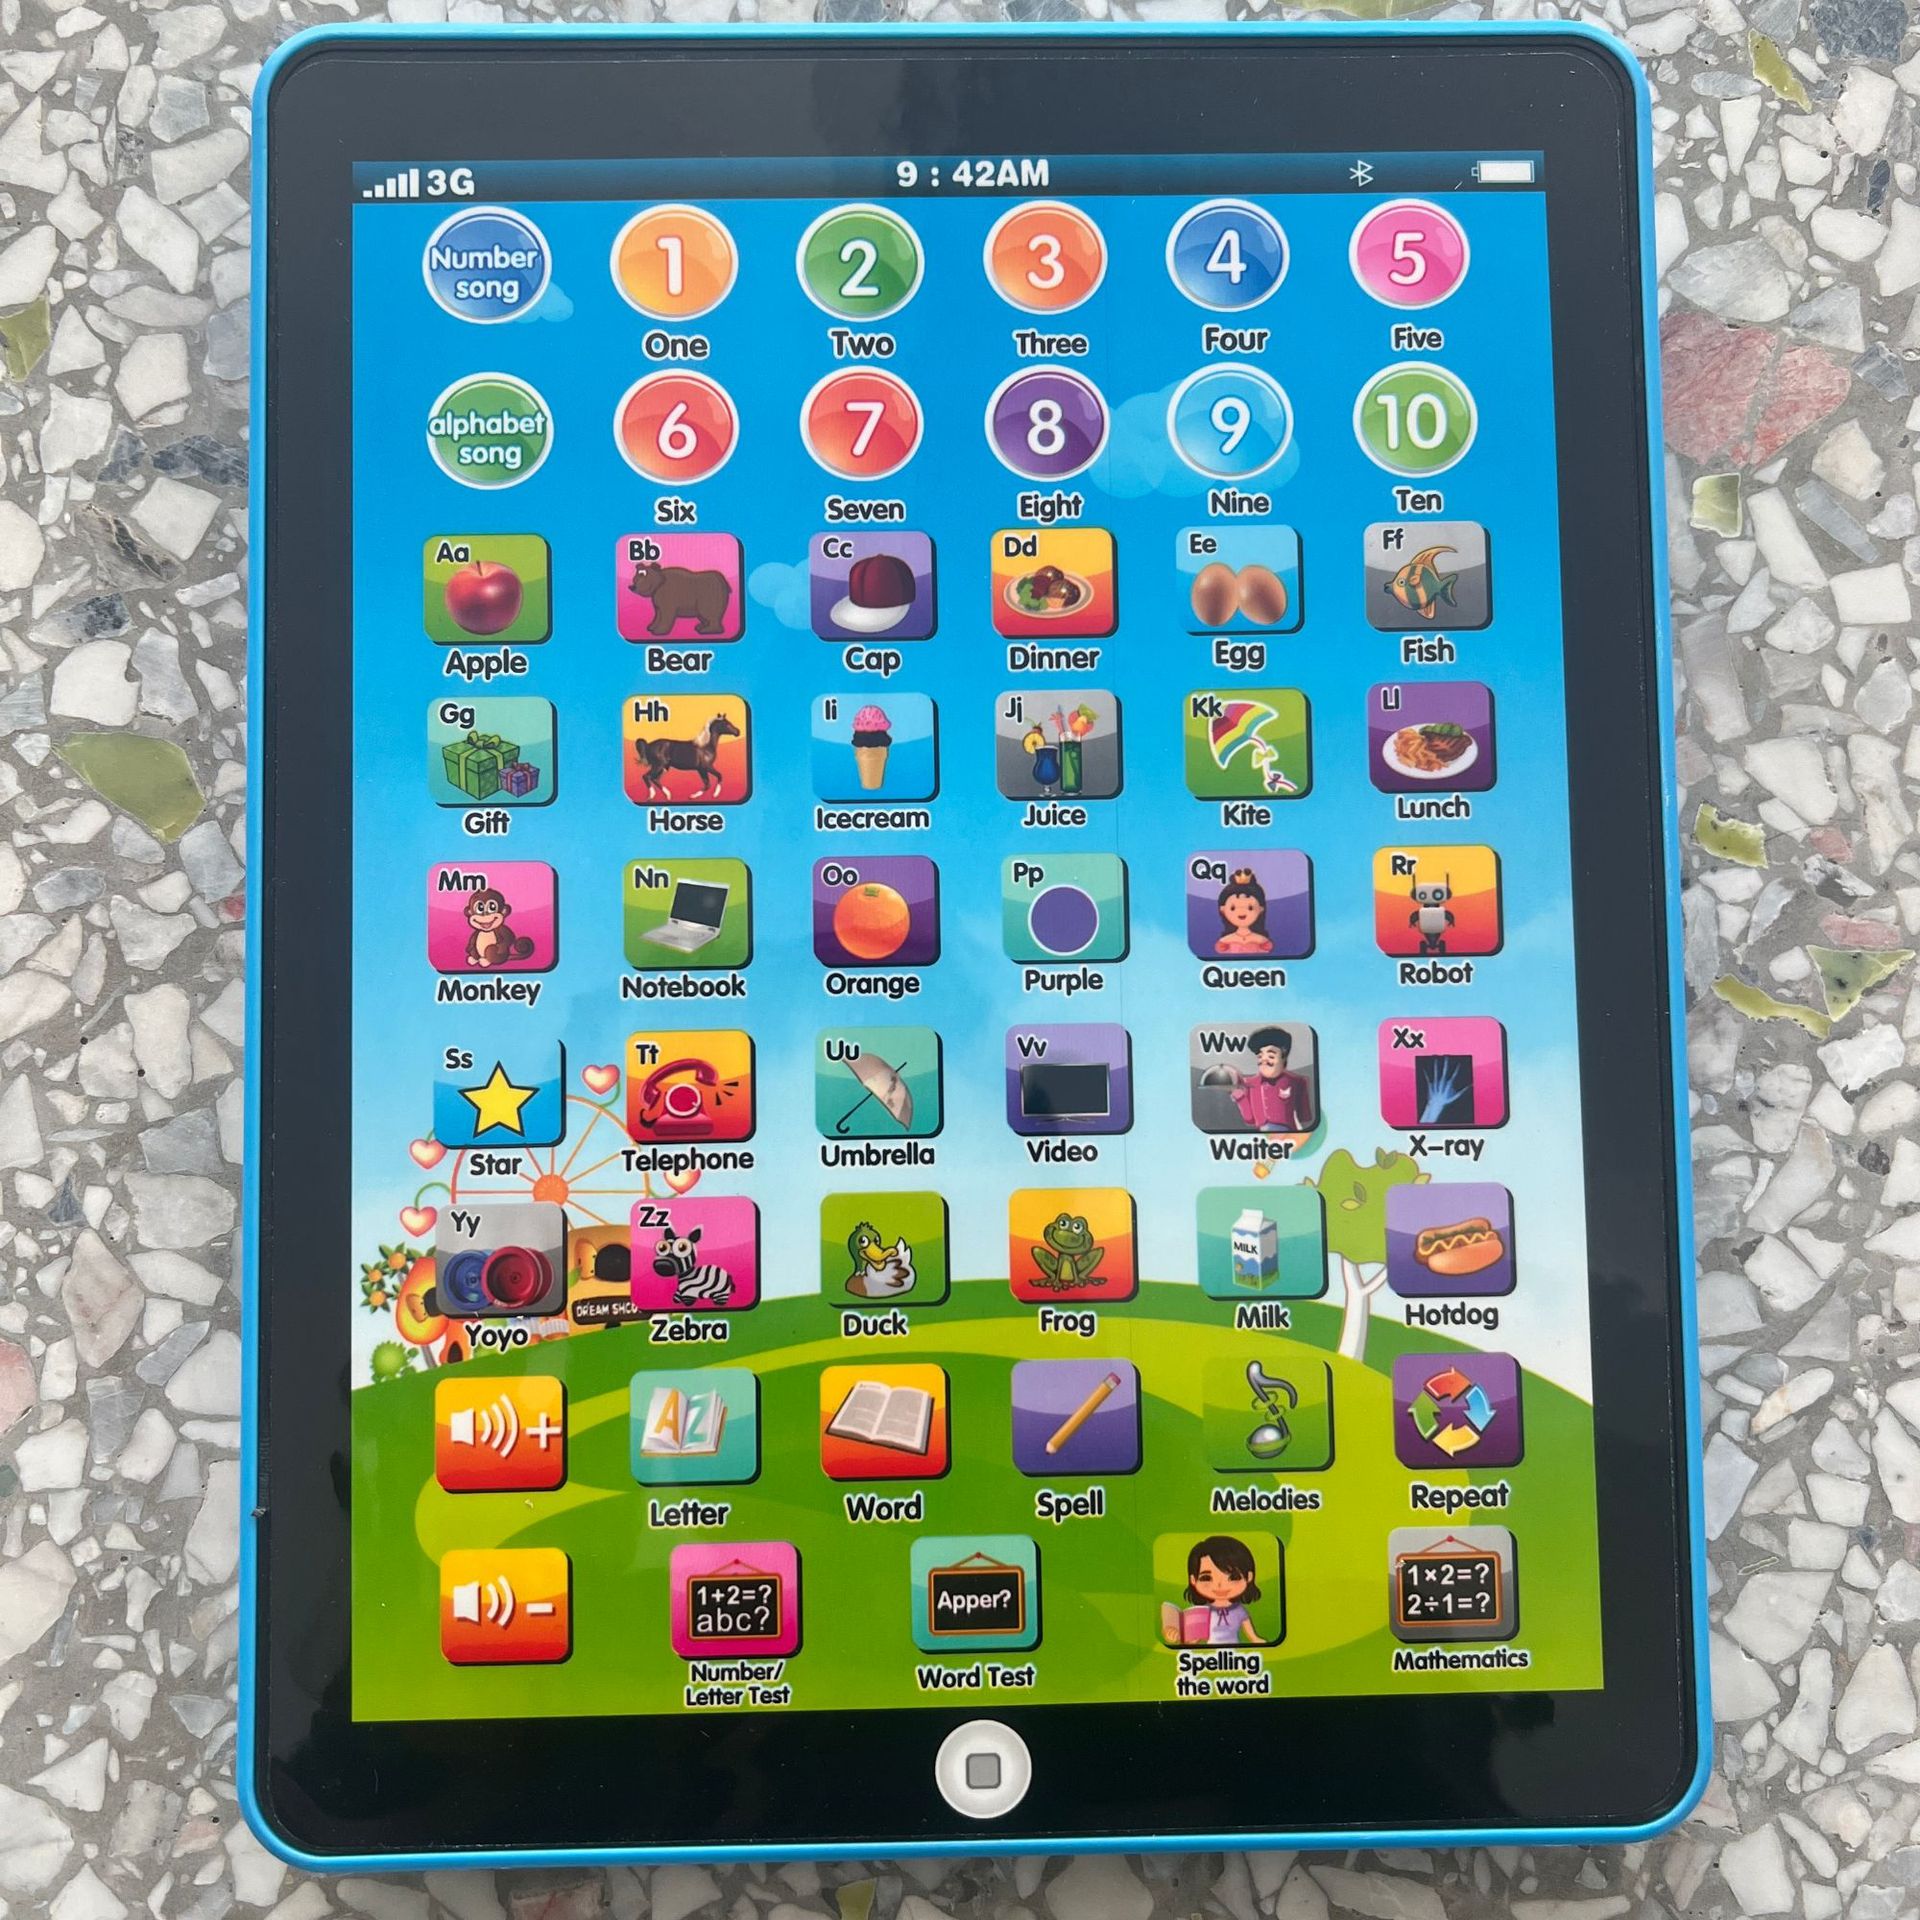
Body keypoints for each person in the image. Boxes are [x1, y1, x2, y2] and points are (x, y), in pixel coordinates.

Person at [1166, 1535, 1265, 1646]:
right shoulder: (1202, 1612)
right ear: (1193, 1580)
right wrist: (1178, 1637)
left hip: (1236, 1650)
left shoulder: (1239, 1610)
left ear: (1249, 1577)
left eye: (1233, 1577)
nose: (1220, 1585)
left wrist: (1257, 1641)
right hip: (1211, 1653)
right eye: (1206, 1578)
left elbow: (1253, 1636)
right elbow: (1194, 1640)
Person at [1227, 1025, 1314, 1132]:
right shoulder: (1250, 1084)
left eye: (1271, 1056)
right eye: (1260, 1056)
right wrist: (1239, 1097)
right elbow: (1250, 1119)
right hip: (1263, 1136)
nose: (1264, 1060)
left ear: (1283, 1057)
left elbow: (1304, 1117)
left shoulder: (1297, 1082)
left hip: (1289, 1134)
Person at [1213, 867, 1274, 955]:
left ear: (1261, 909)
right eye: (1233, 908)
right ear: (1223, 909)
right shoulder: (1226, 940)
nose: (1241, 912)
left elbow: (1267, 950)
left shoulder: (1261, 940)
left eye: (1250, 908)